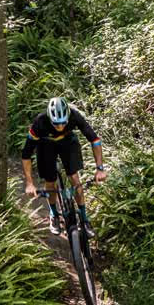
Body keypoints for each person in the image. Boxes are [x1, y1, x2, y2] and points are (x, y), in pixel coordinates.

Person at [22, 97, 107, 235]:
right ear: (50, 118)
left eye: (63, 123)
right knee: (50, 182)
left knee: (75, 179)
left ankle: (84, 219)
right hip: (46, 145)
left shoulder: (74, 116)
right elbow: (26, 154)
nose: (60, 127)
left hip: (67, 142)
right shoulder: (40, 122)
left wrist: (100, 169)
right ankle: (54, 214)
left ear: (68, 117)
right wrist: (29, 183)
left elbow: (95, 140)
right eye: (56, 124)